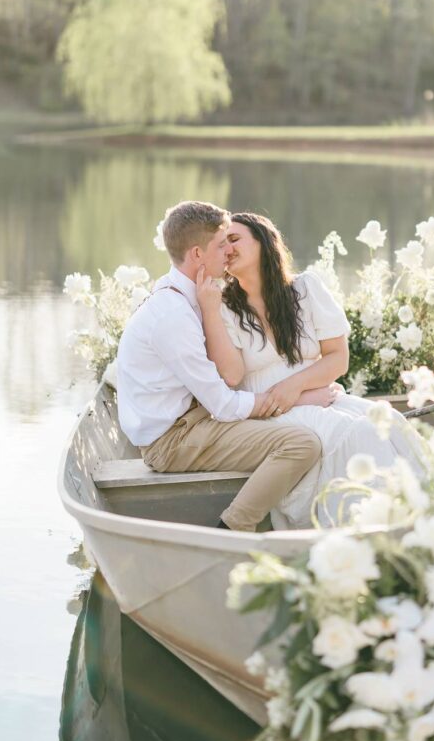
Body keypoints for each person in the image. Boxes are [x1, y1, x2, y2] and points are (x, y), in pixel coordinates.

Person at [196, 211, 425, 530]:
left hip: (316, 395)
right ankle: (364, 527)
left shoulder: (306, 289)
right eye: (221, 244)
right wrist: (209, 310)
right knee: (357, 433)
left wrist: (298, 388)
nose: (227, 249)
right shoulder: (223, 307)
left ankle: (419, 516)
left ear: (263, 242)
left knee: (386, 419)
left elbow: (336, 359)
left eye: (234, 239)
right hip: (266, 410)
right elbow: (232, 378)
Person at [115, 200, 334, 532]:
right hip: (172, 442)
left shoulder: (185, 297)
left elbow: (222, 386)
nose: (228, 253)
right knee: (301, 444)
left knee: (313, 429)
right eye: (221, 245)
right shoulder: (173, 314)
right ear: (197, 255)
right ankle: (231, 529)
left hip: (194, 421)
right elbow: (223, 403)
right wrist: (297, 398)